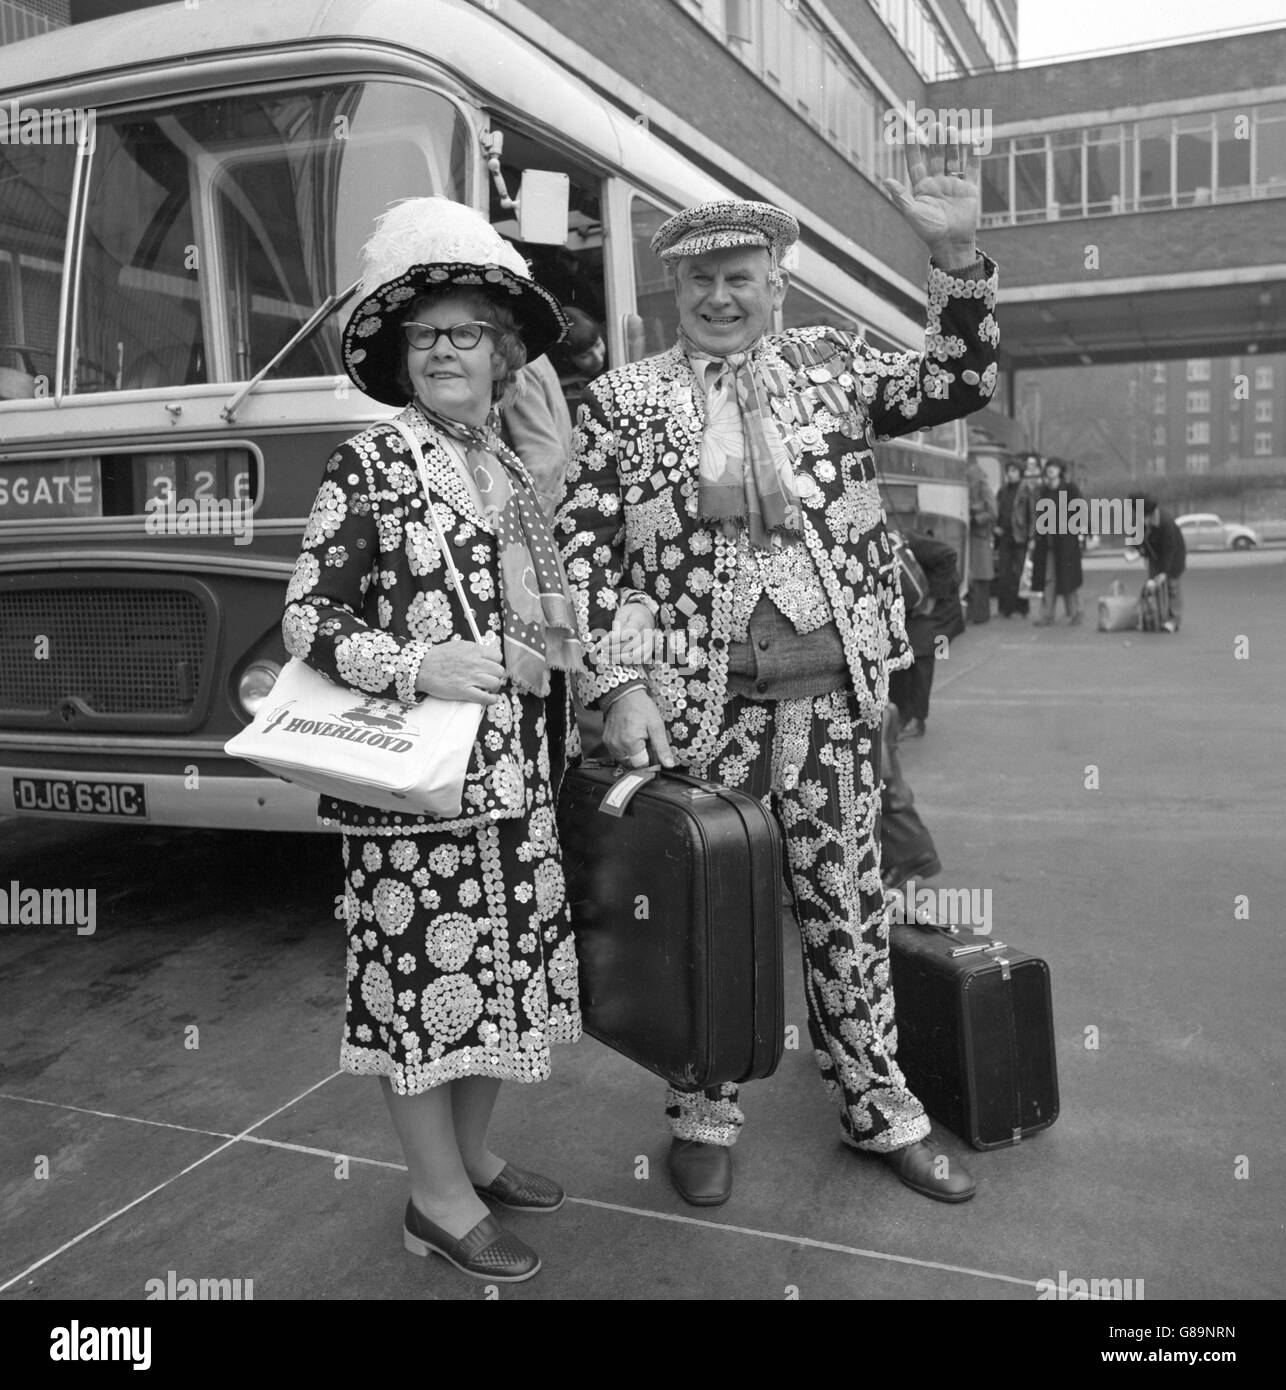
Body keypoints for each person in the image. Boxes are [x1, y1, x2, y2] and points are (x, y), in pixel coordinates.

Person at [557, 134, 1000, 1209]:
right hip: (700, 716)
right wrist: (619, 685)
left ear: (775, 285)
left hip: (832, 706)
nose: (720, 297)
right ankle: (703, 1108)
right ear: (674, 287)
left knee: (846, 913)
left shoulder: (833, 370)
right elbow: (579, 551)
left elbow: (955, 378)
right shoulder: (624, 400)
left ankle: (876, 1106)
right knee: (707, 913)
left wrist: (956, 263)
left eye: (739, 279)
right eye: (700, 279)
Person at [283, 197, 585, 1283]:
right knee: (422, 990)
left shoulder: (509, 468)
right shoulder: (367, 462)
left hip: (516, 780)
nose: (448, 349)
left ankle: (474, 1154)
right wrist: (422, 663)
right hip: (413, 792)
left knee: (498, 984)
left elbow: (553, 611)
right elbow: (309, 622)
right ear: (401, 356)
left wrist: (559, 643)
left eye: (466, 333)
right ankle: (433, 1200)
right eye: (426, 335)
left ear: (503, 354)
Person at [888, 529, 965, 738]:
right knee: (900, 659)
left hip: (939, 608)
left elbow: (948, 554)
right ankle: (902, 717)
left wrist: (932, 598)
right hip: (914, 611)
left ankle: (916, 720)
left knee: (922, 655)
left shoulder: (906, 543)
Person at [501, 353, 573, 521]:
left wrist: (527, 525)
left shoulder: (516, 365)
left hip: (540, 510)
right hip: (554, 503)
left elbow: (544, 461)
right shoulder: (535, 357)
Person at [1029, 458, 1084, 626]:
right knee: (1048, 578)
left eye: (1054, 467)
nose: (1051, 470)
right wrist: (1035, 536)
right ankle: (1047, 615)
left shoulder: (1069, 488)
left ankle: (1074, 613)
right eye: (1049, 467)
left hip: (1066, 541)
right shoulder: (1044, 491)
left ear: (1060, 470)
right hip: (1048, 543)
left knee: (1068, 578)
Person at [1133, 493, 1186, 632]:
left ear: (1148, 514)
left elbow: (1169, 550)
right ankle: (1155, 617)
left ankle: (1174, 620)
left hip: (1174, 558)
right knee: (1152, 586)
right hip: (1155, 558)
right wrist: (1138, 550)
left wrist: (1164, 572)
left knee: (1172, 587)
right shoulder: (1141, 519)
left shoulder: (1165, 522)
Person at [994, 458, 1026, 617]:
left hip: (1020, 537)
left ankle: (1021, 609)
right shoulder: (1002, 491)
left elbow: (1033, 514)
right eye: (1009, 471)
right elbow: (998, 512)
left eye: (1014, 471)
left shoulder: (1026, 490)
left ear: (1020, 473)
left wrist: (1031, 535)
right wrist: (996, 527)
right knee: (1004, 574)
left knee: (1019, 574)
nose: (1010, 474)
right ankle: (1005, 609)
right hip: (1005, 537)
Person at [965, 458, 996, 623]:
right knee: (977, 577)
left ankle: (980, 614)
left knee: (980, 578)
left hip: (980, 536)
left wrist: (976, 518)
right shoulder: (980, 487)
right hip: (976, 537)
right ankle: (977, 614)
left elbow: (993, 512)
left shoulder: (983, 488)